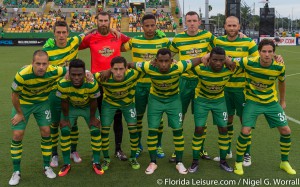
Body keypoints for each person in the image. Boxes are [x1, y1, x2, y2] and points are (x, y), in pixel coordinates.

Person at [128, 48, 204, 175]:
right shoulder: (148, 67)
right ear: (156, 61)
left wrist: (203, 58)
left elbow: (195, 61)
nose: (163, 64)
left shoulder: (178, 67)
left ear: (171, 61)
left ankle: (179, 162)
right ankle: (153, 162)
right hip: (155, 101)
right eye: (161, 61)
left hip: (173, 101)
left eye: (166, 61)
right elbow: (130, 64)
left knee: (177, 131)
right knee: (152, 130)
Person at [231, 39, 296, 175]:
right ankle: (238, 163)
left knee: (286, 130)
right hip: (252, 102)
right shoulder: (248, 62)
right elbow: (229, 59)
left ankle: (284, 162)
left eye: (270, 52)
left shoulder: (279, 66)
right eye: (264, 51)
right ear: (259, 52)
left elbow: (282, 83)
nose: (267, 54)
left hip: (271, 103)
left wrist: (282, 101)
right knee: (245, 131)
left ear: (274, 53)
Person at [9, 50, 67, 185]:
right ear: (32, 63)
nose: (41, 67)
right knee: (18, 134)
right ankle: (16, 171)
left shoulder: (55, 70)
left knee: (47, 131)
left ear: (48, 64)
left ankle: (47, 167)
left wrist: (88, 74)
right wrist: (19, 113)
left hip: (42, 103)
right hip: (24, 104)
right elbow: (14, 95)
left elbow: (73, 69)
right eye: (38, 64)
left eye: (44, 64)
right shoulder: (22, 75)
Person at [79, 11, 131, 161]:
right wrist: (89, 31)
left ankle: (118, 149)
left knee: (117, 117)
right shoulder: (91, 38)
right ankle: (99, 150)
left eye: (105, 21)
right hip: (96, 83)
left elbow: (135, 43)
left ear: (110, 21)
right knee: (98, 117)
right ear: (97, 22)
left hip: (115, 84)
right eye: (100, 21)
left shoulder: (118, 36)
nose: (103, 23)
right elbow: (72, 44)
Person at [211, 16, 259, 165]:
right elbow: (206, 55)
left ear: (239, 27)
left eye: (234, 25)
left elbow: (257, 60)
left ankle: (246, 154)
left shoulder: (248, 42)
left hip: (242, 90)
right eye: (229, 25)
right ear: (224, 26)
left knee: (245, 121)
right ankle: (228, 151)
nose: (232, 28)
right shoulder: (218, 42)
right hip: (224, 89)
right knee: (227, 120)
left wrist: (277, 56)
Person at [123, 14, 171, 158]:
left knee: (158, 119)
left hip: (157, 86)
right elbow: (116, 46)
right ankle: (138, 146)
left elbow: (174, 54)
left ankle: (158, 146)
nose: (150, 28)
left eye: (152, 25)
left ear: (156, 25)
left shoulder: (164, 41)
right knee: (138, 117)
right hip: (138, 86)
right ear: (141, 26)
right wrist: (117, 33)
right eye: (147, 26)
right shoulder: (134, 41)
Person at [169, 11, 214, 162]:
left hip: (202, 82)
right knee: (179, 117)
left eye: (195, 20)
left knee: (201, 119)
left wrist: (239, 34)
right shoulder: (178, 38)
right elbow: (167, 55)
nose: (192, 23)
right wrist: (172, 62)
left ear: (199, 22)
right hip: (183, 82)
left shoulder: (208, 37)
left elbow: (222, 47)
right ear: (185, 23)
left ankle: (201, 148)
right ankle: (177, 151)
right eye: (189, 21)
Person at [187, 47, 236, 173]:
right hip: (202, 101)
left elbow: (249, 60)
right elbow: (187, 64)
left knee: (223, 129)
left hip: (219, 101)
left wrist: (276, 57)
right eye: (214, 60)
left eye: (221, 60)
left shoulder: (230, 69)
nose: (218, 63)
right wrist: (205, 55)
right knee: (199, 129)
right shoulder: (201, 69)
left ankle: (223, 161)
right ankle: (195, 161)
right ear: (209, 59)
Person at [56, 59, 103, 177]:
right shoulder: (62, 83)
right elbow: (64, 101)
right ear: (69, 74)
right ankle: (66, 163)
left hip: (88, 107)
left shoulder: (91, 83)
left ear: (85, 74)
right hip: (71, 107)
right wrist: (65, 118)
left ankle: (96, 161)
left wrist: (92, 118)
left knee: (95, 129)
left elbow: (94, 101)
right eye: (73, 75)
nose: (76, 77)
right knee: (65, 130)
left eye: (79, 75)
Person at [94, 56, 141, 171]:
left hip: (128, 104)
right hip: (109, 105)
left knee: (133, 130)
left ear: (126, 68)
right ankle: (106, 158)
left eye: (121, 69)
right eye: (115, 69)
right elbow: (87, 75)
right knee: (104, 131)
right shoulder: (102, 77)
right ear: (111, 69)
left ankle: (133, 157)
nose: (118, 72)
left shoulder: (133, 74)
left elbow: (149, 67)